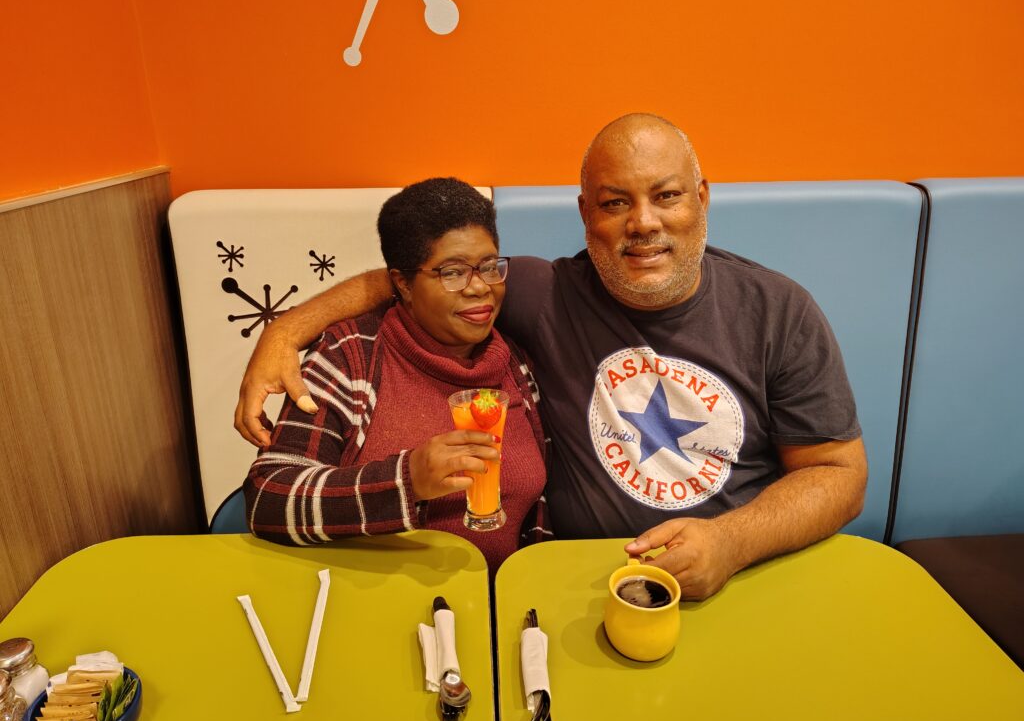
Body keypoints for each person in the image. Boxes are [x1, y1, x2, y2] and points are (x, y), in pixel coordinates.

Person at [236, 114, 868, 600]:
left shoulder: (779, 310)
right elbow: (422, 278)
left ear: (702, 198)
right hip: (577, 587)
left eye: (667, 196)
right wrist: (287, 331)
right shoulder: (543, 294)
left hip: (746, 577)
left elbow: (839, 473)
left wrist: (731, 544)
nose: (643, 223)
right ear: (586, 214)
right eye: (615, 202)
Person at [242, 177, 547, 572]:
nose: (479, 288)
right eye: (452, 272)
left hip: (503, 595)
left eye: (488, 267)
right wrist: (406, 481)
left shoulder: (515, 361)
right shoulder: (352, 355)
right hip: (377, 599)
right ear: (402, 283)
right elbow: (268, 497)